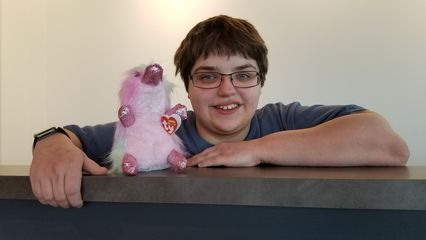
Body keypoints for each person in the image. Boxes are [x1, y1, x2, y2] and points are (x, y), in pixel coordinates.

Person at [30, 15, 409, 208]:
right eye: (208, 76)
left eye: (244, 75)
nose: (227, 90)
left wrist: (256, 150)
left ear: (261, 82)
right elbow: (66, 137)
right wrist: (51, 143)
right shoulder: (158, 131)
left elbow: (389, 146)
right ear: (188, 87)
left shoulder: (282, 120)